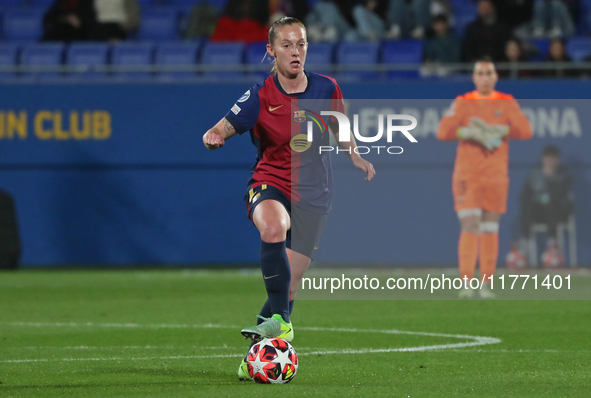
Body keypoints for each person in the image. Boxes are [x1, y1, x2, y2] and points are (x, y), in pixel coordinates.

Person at [202, 17, 375, 380]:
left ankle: (257, 355)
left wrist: (355, 154)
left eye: (301, 44)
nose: (295, 52)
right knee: (273, 226)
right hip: (271, 182)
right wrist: (214, 135)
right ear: (271, 51)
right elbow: (223, 126)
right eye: (286, 45)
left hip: (314, 194)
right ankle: (283, 325)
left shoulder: (327, 88)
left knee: (289, 285)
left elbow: (341, 129)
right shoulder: (260, 95)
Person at [436, 57, 533, 299]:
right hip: (468, 174)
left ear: (496, 76)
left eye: (489, 72)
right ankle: (466, 283)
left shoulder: (506, 102)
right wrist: (466, 132)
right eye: (480, 73)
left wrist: (503, 130)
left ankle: (486, 284)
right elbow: (442, 131)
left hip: (496, 175)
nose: (485, 77)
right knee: (470, 224)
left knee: (490, 227)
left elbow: (526, 130)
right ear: (474, 77)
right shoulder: (463, 102)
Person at [514, 145, 573, 267]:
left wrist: (549, 179)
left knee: (551, 203)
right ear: (543, 159)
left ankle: (553, 244)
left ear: (558, 160)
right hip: (538, 212)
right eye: (548, 159)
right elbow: (524, 195)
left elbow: (561, 195)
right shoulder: (534, 174)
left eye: (553, 159)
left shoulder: (563, 175)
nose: (550, 162)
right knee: (528, 205)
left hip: (557, 213)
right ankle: (524, 245)